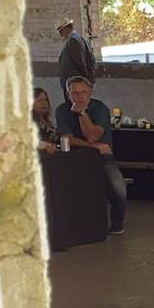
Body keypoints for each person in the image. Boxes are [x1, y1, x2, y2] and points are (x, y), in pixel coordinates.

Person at [56, 76, 128, 234]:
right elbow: (67, 139)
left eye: (83, 93)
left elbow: (92, 135)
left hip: (102, 159)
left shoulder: (100, 109)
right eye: (74, 93)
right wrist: (95, 146)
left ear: (90, 92)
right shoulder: (62, 110)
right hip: (74, 160)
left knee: (119, 189)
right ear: (68, 94)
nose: (79, 97)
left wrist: (82, 114)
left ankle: (117, 221)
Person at [57, 18, 96, 103]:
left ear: (67, 28)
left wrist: (84, 81)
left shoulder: (74, 40)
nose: (61, 34)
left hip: (75, 84)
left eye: (61, 31)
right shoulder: (79, 38)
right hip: (74, 84)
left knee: (75, 108)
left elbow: (80, 62)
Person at [32, 87, 59, 154]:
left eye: (45, 100)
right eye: (39, 100)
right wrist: (45, 146)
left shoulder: (50, 121)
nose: (44, 103)